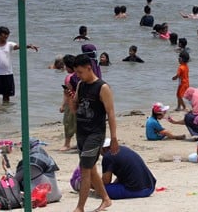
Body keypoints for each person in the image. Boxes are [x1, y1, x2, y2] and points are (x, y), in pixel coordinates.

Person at [68, 53, 118, 212]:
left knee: (85, 169)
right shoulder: (80, 85)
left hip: (95, 134)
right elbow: (75, 110)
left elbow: (111, 114)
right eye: (76, 72)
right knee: (91, 169)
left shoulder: (103, 87)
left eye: (80, 72)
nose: (78, 75)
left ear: (89, 68)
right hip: (81, 133)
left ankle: (80, 207)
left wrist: (114, 138)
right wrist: (70, 99)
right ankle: (106, 199)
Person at [0, 26, 39, 103]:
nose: (6, 36)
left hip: (8, 74)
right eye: (4, 34)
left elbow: (19, 46)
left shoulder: (10, 44)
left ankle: (6, 110)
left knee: (7, 96)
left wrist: (29, 46)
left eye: (7, 34)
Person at [7, 138, 63, 205]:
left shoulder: (31, 161)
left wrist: (7, 170)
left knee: (7, 184)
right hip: (56, 195)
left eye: (22, 149)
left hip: (39, 197)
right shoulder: (47, 158)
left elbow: (14, 181)